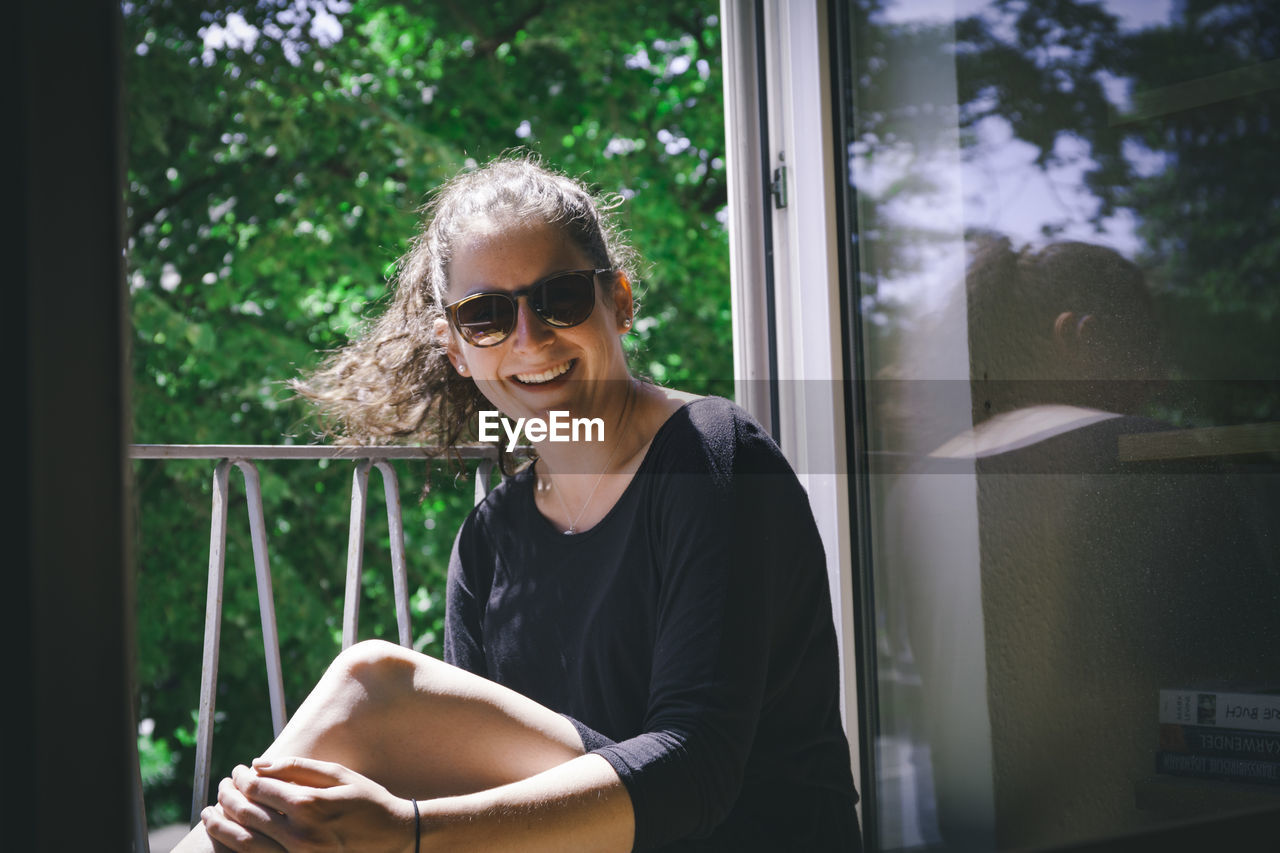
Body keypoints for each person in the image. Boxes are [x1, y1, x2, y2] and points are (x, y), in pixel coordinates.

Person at [176, 154, 860, 852]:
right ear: (455, 349)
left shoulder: (714, 457)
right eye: (486, 316)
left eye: (559, 297)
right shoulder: (490, 539)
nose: (530, 339)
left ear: (619, 300)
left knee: (370, 686)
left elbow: (697, 772)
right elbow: (472, 798)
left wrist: (407, 831)